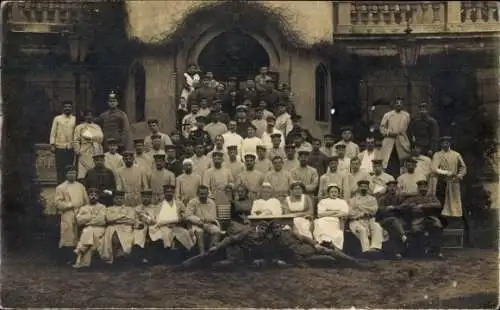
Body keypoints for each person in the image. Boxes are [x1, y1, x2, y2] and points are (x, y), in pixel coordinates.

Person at [148, 184, 195, 261]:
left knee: (185, 234)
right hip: (163, 227)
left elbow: (185, 216)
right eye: (167, 192)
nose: (169, 194)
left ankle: (186, 255)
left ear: (173, 193)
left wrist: (187, 225)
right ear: (164, 193)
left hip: (177, 226)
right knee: (165, 235)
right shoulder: (160, 205)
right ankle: (170, 256)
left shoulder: (179, 204)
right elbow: (157, 218)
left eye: (170, 192)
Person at [54, 165, 89, 264]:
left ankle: (80, 257)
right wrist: (71, 204)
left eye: (74, 173)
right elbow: (58, 203)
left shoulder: (80, 186)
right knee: (68, 236)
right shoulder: (61, 187)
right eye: (70, 173)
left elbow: (86, 200)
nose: (72, 175)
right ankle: (67, 258)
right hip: (68, 214)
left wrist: (84, 210)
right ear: (66, 174)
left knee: (80, 235)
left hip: (80, 213)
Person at [404, 180, 444, 258]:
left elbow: (438, 204)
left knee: (438, 226)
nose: (423, 189)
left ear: (427, 188)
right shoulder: (414, 197)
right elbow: (405, 205)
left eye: (424, 187)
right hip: (419, 218)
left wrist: (424, 205)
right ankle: (421, 250)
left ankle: (438, 251)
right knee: (415, 229)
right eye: (421, 187)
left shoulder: (431, 196)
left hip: (430, 216)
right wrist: (411, 205)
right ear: (418, 188)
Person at [429, 136, 467, 218]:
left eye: (447, 141)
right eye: (443, 142)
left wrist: (459, 176)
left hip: (454, 181)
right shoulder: (437, 154)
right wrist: (446, 173)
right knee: (443, 201)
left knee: (455, 201)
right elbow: (434, 168)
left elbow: (463, 167)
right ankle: (444, 222)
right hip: (442, 181)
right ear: (440, 144)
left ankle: (455, 220)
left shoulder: (456, 154)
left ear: (450, 143)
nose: (445, 143)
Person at [100, 190, 138, 264]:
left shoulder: (129, 209)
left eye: (120, 198)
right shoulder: (109, 209)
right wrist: (123, 217)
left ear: (123, 199)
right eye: (116, 198)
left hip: (126, 228)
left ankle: (122, 256)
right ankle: (115, 257)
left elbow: (131, 220)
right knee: (113, 237)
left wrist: (116, 219)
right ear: (113, 199)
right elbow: (109, 218)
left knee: (125, 239)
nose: (118, 200)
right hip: (112, 227)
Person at [73, 187, 107, 268]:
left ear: (98, 197)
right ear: (88, 196)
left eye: (95, 195)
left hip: (99, 229)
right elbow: (79, 220)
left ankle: (80, 257)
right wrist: (93, 217)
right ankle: (85, 263)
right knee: (88, 233)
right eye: (91, 195)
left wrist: (87, 219)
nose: (93, 197)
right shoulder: (83, 208)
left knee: (89, 233)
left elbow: (102, 220)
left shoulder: (102, 207)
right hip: (88, 229)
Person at [348, 180, 384, 254]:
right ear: (358, 188)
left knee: (377, 226)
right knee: (362, 230)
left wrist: (360, 207)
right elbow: (350, 213)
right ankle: (366, 251)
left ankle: (375, 248)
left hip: (369, 220)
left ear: (368, 188)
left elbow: (374, 210)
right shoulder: (352, 200)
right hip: (356, 221)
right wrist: (363, 213)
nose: (363, 188)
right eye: (361, 187)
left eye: (365, 187)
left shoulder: (372, 199)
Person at [185, 185, 223, 254]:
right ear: (197, 194)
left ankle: (210, 253)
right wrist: (200, 221)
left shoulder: (211, 202)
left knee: (217, 231)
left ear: (208, 194)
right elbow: (188, 215)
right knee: (200, 232)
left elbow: (212, 217)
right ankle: (201, 255)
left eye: (205, 194)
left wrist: (205, 222)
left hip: (209, 224)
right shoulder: (192, 202)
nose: (204, 196)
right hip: (196, 224)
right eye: (201, 194)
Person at [379, 97, 412, 174]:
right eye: (397, 103)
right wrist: (388, 133)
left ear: (403, 105)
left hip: (402, 141)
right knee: (388, 161)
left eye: (401, 103)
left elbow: (409, 129)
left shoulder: (406, 115)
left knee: (402, 163)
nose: (399, 105)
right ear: (394, 104)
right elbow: (381, 128)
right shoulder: (387, 115)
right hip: (389, 141)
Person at [313, 184, 350, 250]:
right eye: (332, 192)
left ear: (338, 193)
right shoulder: (323, 201)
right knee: (319, 223)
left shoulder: (342, 202)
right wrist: (335, 211)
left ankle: (332, 244)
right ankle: (323, 242)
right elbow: (320, 214)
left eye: (335, 192)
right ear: (328, 193)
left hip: (336, 220)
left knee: (335, 229)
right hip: (323, 219)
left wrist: (327, 212)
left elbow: (344, 213)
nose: (334, 193)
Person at [377, 180, 408, 259]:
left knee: (393, 229)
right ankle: (403, 235)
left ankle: (397, 253)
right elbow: (380, 210)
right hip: (384, 220)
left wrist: (394, 207)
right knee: (393, 221)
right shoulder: (382, 198)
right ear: (387, 188)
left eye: (394, 186)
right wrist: (387, 208)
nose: (392, 188)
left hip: (397, 221)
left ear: (396, 188)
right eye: (390, 186)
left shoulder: (399, 198)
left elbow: (404, 206)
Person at [50, 101, 77, 184]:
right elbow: (53, 132)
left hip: (71, 147)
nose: (67, 108)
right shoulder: (57, 118)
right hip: (60, 147)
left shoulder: (74, 119)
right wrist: (52, 144)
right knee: (60, 167)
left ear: (72, 108)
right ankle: (60, 185)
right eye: (66, 107)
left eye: (69, 107)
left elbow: (76, 132)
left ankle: (68, 185)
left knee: (69, 167)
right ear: (63, 108)